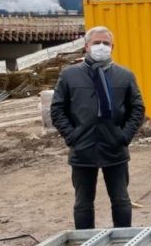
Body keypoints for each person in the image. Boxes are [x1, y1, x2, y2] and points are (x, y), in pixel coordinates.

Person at [51, 26, 145, 229]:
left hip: (114, 148)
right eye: (96, 42)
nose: (101, 46)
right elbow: (58, 109)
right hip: (82, 148)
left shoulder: (125, 76)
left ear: (113, 47)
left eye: (106, 43)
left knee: (121, 200)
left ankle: (123, 242)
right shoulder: (70, 76)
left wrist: (124, 136)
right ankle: (85, 244)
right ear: (86, 46)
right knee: (83, 204)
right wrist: (72, 136)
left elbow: (137, 108)